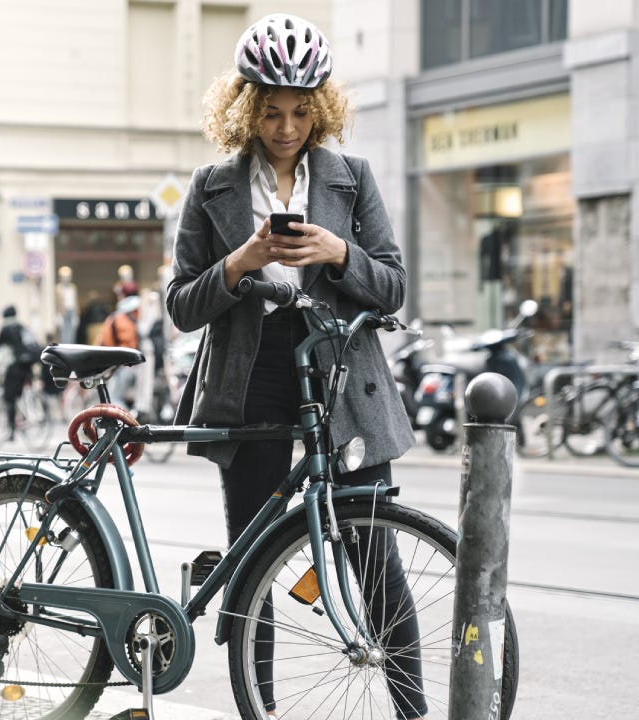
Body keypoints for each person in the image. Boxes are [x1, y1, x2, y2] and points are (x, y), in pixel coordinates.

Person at [165, 14, 422, 720]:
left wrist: (340, 254)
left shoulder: (350, 177)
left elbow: (395, 285)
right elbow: (182, 305)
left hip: (342, 376)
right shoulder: (212, 184)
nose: (286, 127)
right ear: (246, 108)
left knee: (374, 555)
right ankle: (264, 710)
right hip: (250, 379)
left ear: (321, 108)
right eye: (272, 111)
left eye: (301, 111)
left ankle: (414, 710)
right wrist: (242, 261)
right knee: (255, 565)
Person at [0, 305, 38, 442]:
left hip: (14, 368)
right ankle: (26, 417)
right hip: (27, 367)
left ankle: (12, 430)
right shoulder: (22, 327)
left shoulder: (5, 328)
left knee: (9, 399)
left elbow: (0, 348)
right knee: (23, 392)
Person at [96, 294, 141, 408]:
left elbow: (105, 341)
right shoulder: (131, 321)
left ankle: (123, 423)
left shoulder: (117, 319)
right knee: (123, 396)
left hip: (120, 365)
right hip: (131, 364)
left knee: (115, 397)